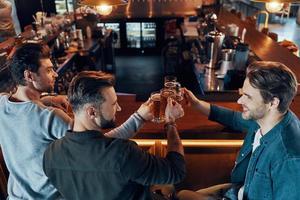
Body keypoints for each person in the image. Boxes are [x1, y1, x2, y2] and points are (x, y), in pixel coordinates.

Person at [0, 43, 154, 199]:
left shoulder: (2, 103)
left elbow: (26, 113)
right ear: (29, 76)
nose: (55, 74)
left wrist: (47, 99)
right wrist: (139, 118)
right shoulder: (50, 118)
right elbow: (99, 149)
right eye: (48, 70)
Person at [43, 71, 186, 200]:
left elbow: (96, 148)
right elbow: (176, 170)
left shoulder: (50, 155)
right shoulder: (123, 153)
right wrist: (171, 123)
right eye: (113, 104)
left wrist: (139, 118)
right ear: (92, 112)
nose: (119, 108)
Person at [178, 61, 300, 200]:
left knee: (182, 196)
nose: (239, 101)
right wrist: (197, 104)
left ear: (273, 102)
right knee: (182, 195)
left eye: (248, 96)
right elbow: (233, 118)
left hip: (238, 193)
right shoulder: (266, 118)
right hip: (238, 191)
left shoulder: (290, 158)